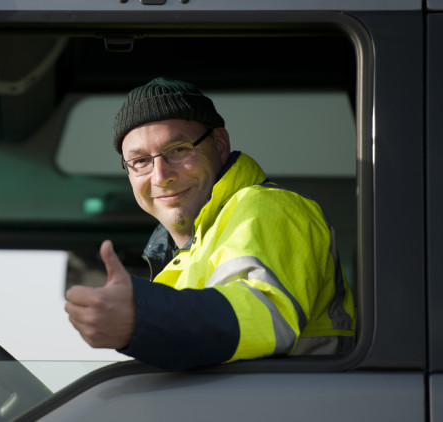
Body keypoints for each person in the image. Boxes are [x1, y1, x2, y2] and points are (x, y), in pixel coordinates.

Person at [65, 77, 356, 371]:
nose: (160, 176)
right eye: (140, 161)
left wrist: (141, 316)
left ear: (219, 146)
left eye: (178, 149)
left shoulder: (267, 207)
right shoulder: (182, 254)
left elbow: (263, 312)